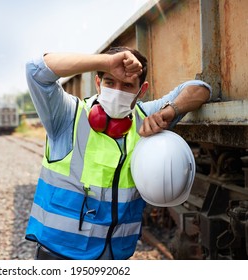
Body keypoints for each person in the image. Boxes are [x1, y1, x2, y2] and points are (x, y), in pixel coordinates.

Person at [24, 46, 211, 260]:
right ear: (98, 83)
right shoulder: (67, 117)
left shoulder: (146, 116)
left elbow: (200, 88)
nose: (117, 91)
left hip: (116, 257)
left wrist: (171, 111)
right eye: (110, 82)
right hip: (60, 254)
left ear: (142, 91)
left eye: (127, 85)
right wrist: (105, 62)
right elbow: (35, 69)